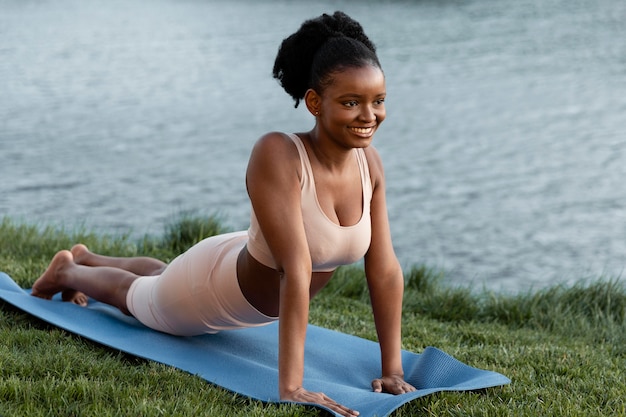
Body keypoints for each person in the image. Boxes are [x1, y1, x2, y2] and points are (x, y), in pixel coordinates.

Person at [31, 11, 416, 417]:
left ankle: (89, 257)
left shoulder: (369, 165)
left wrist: (392, 370)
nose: (369, 115)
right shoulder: (278, 152)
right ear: (315, 103)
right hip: (212, 294)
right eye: (351, 102)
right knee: (138, 297)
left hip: (238, 261)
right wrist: (292, 386)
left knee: (164, 274)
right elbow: (296, 266)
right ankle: (68, 272)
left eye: (379, 101)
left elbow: (385, 269)